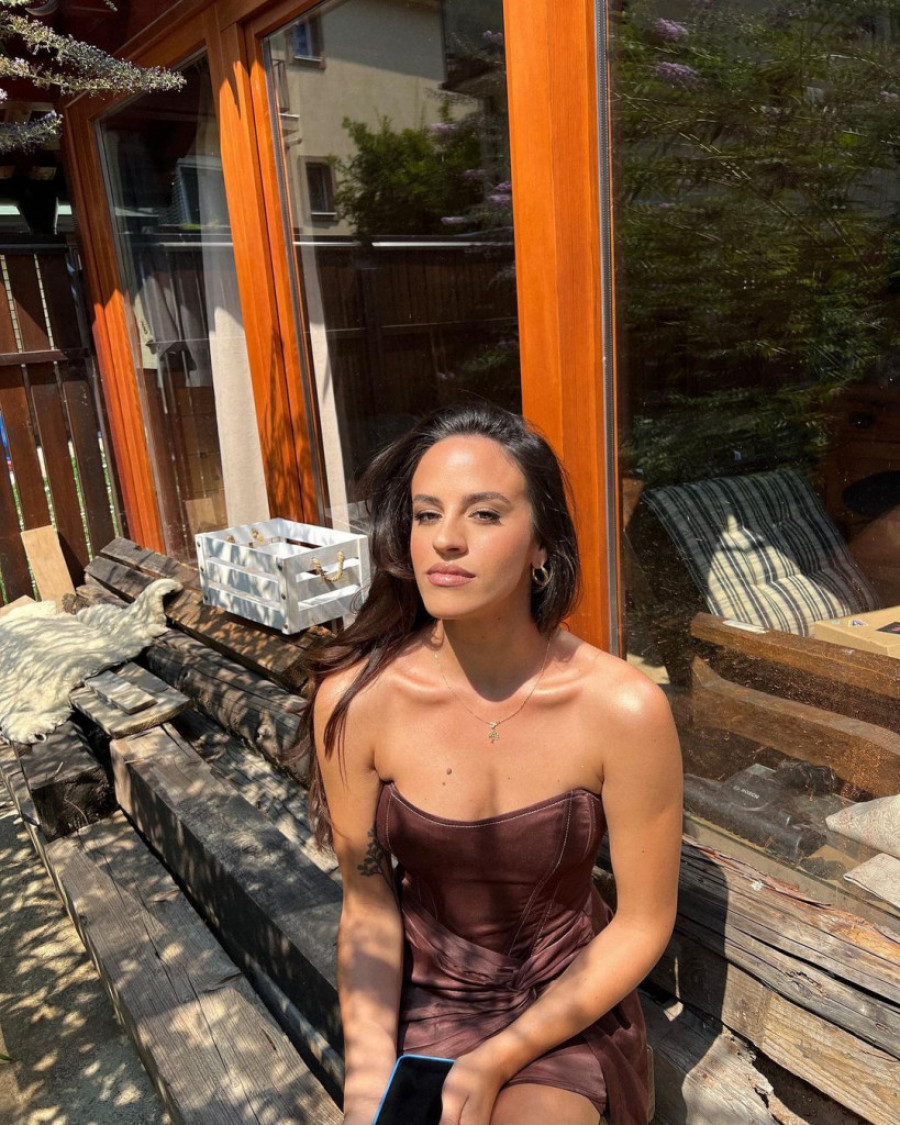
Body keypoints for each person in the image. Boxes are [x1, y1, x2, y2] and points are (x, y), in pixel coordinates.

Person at [306, 403, 683, 1125]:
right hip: (428, 1002)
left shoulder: (622, 708)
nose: (446, 538)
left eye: (484, 514)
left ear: (542, 545)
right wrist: (365, 1090)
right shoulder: (358, 700)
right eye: (426, 514)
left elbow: (642, 923)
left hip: (566, 1004)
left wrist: (500, 1057)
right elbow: (368, 905)